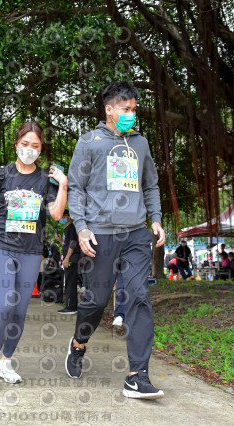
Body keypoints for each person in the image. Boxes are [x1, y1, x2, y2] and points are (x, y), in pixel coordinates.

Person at [65, 81, 166, 399]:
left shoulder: (140, 143)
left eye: (134, 109)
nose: (131, 114)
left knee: (139, 297)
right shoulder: (89, 142)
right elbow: (76, 187)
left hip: (135, 233)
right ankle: (78, 343)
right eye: (125, 109)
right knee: (95, 301)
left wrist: (155, 218)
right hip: (100, 234)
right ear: (109, 109)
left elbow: (150, 185)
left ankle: (138, 375)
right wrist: (82, 227)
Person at [0, 121, 67, 389]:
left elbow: (56, 214)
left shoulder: (45, 179)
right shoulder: (2, 174)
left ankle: (6, 362)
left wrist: (63, 184)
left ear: (41, 149)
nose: (29, 149)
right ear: (16, 144)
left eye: (35, 146)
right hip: (1, 246)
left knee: (20, 310)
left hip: (31, 250)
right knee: (6, 305)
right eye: (25, 144)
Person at [58, 209, 81, 314]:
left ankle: (71, 307)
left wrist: (67, 258)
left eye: (63, 216)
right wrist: (60, 240)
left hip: (71, 259)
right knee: (68, 282)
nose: (61, 218)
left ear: (68, 217)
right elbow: (66, 245)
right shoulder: (66, 229)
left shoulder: (71, 228)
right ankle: (70, 305)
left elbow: (73, 243)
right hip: (68, 258)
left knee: (70, 282)